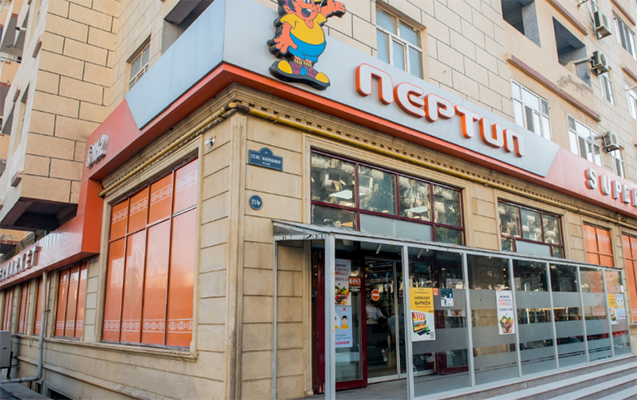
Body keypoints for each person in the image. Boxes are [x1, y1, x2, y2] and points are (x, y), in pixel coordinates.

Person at [268, 0, 345, 90]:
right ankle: (294, 68)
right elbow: (286, 28)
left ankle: (310, 72)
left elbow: (323, 12)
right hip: (298, 44)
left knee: (308, 60)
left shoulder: (315, 18)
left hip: (314, 48)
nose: (312, 6)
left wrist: (331, 8)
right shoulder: (293, 17)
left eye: (313, 4)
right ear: (289, 8)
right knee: (298, 59)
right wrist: (284, 39)